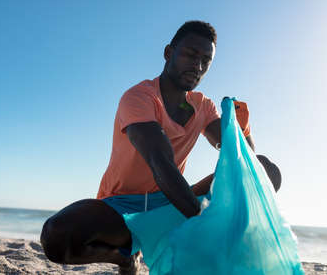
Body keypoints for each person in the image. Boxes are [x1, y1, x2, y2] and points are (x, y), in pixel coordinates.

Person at [40, 21, 282, 274]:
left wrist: (240, 128)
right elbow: (160, 163)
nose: (197, 66)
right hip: (121, 207)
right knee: (57, 236)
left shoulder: (202, 106)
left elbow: (243, 161)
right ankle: (125, 257)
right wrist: (202, 223)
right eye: (190, 55)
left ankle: (193, 242)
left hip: (169, 204)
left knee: (265, 170)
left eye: (206, 60)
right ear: (169, 53)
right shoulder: (139, 97)